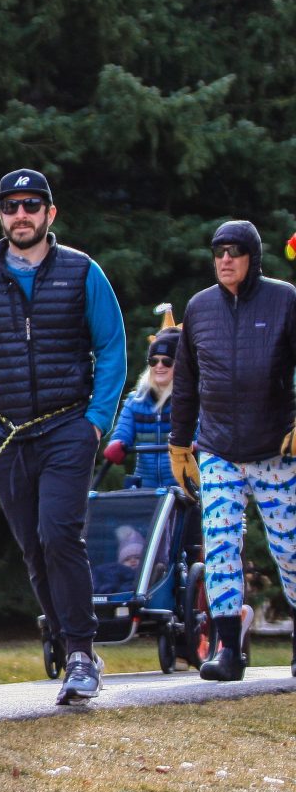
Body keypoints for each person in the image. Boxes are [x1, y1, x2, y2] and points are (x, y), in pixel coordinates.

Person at [0, 168, 127, 704]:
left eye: (32, 205)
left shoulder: (82, 271)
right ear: (0, 215)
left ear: (50, 214)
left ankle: (80, 652)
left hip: (68, 428)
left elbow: (114, 348)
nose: (20, 215)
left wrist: (96, 421)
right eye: (11, 206)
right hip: (4, 437)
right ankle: (61, 630)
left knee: (59, 535)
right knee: (32, 547)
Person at [168, 219, 296, 681]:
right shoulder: (200, 308)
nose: (225, 259)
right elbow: (185, 383)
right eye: (218, 251)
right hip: (218, 447)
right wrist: (180, 443)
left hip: (276, 447)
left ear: (252, 257)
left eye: (235, 251)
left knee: (289, 549)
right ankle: (227, 649)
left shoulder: (285, 300)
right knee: (220, 545)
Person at [101, 305, 179, 489]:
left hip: (183, 485)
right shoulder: (136, 401)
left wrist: (194, 446)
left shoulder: (191, 401)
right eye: (154, 361)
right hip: (146, 485)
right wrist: (117, 444)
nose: (159, 366)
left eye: (167, 361)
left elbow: (202, 432)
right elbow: (123, 432)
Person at [92, 525, 145, 595]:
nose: (133, 561)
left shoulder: (145, 580)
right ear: (120, 563)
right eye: (127, 559)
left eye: (137, 557)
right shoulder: (114, 576)